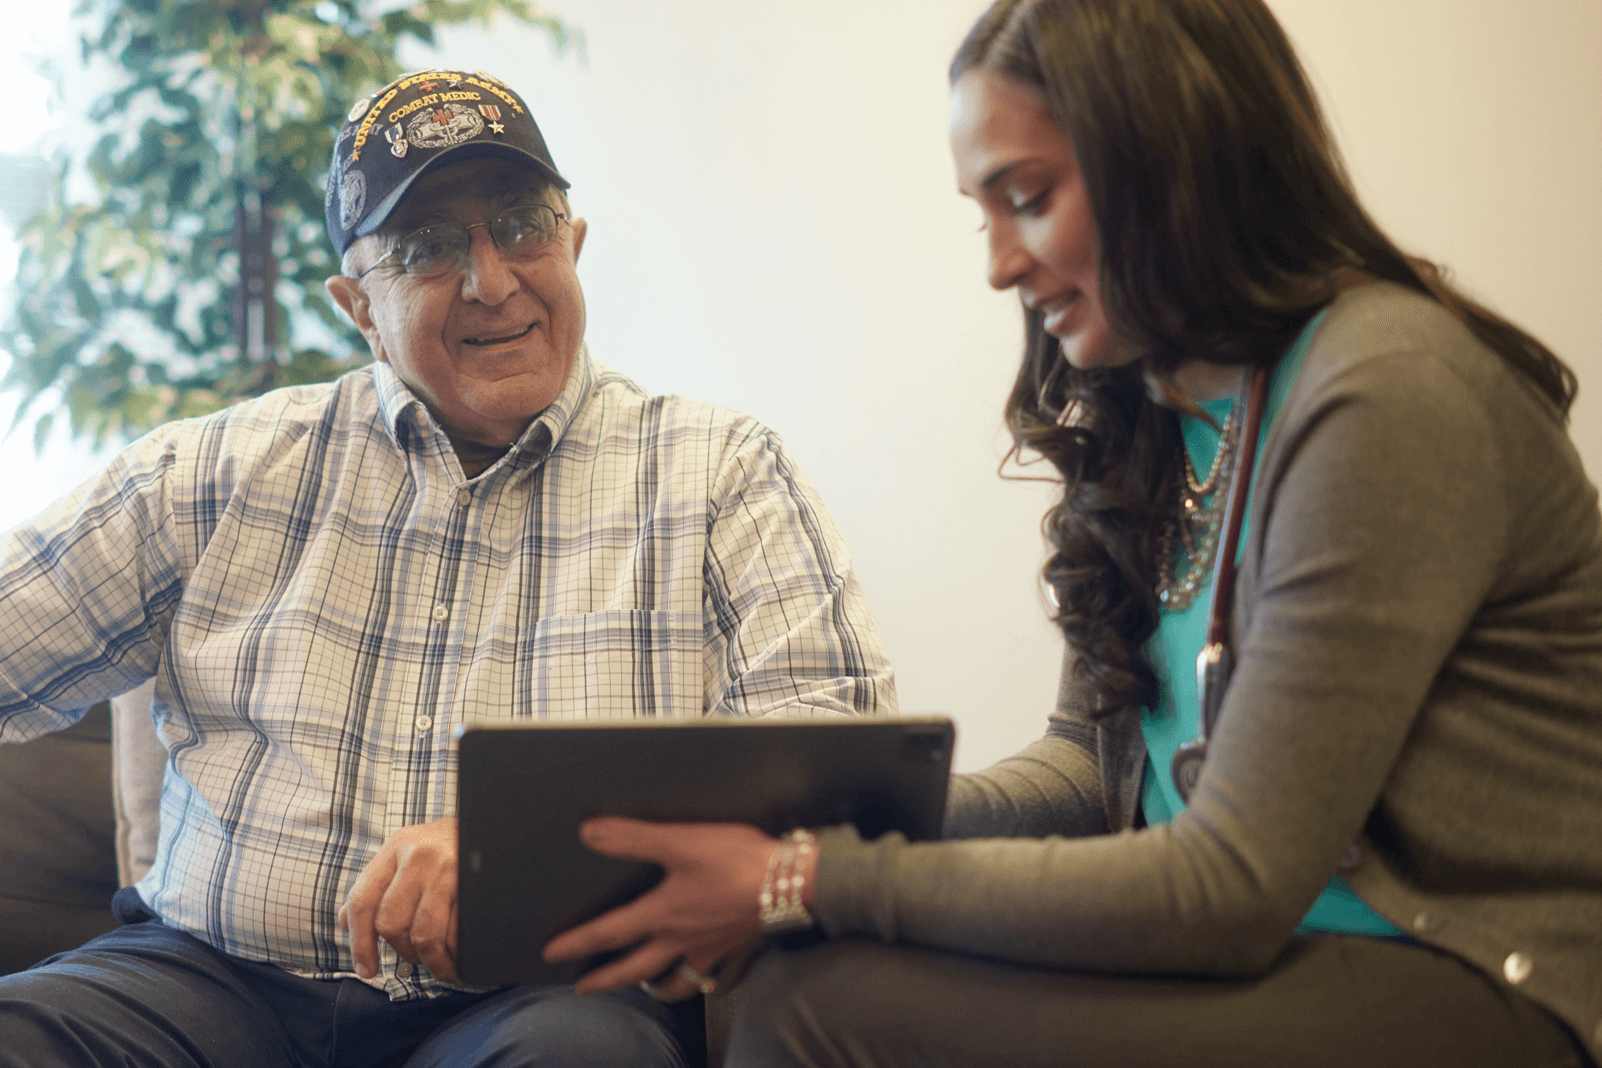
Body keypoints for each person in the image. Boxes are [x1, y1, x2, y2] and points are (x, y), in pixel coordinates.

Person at [538, 2, 1602, 1065]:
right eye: (983, 214)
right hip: (1295, 953)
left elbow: (1229, 887)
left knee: (816, 1006)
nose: (999, 263)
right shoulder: (1165, 411)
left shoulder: (1382, 395)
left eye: (1031, 199)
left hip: (1484, 981)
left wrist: (808, 877)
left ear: (1176, 162)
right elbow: (1095, 777)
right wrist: (812, 835)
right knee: (794, 974)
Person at [0, 67, 894, 1067]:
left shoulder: (721, 472)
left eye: (521, 225)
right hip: (209, 983)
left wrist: (519, 858)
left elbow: (839, 772)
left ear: (574, 243)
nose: (493, 279)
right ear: (358, 308)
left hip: (543, 998)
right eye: (427, 247)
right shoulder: (214, 471)